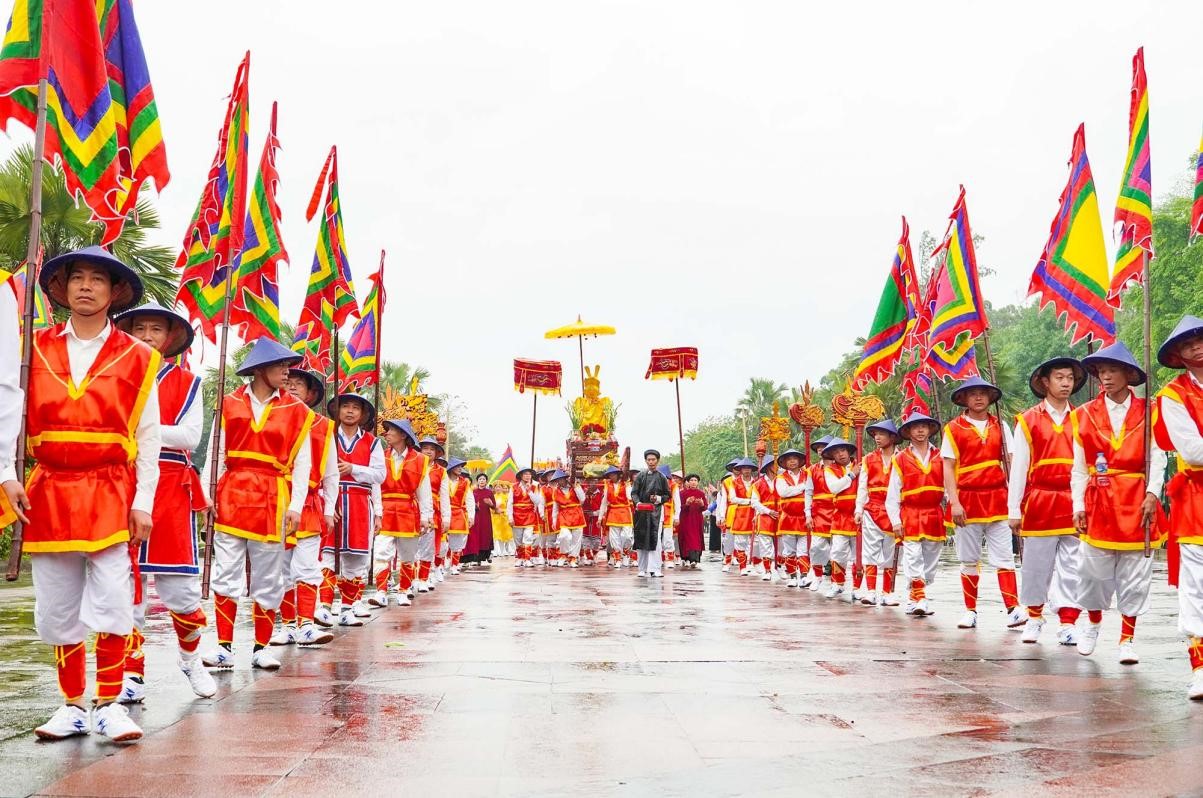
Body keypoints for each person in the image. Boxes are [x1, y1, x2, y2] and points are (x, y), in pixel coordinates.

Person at [22, 247, 158, 742]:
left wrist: (143, 501)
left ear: (114, 291)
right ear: (62, 288)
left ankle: (109, 703)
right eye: (76, 276)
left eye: (97, 278)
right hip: (50, 487)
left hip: (110, 488)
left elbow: (148, 436)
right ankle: (73, 705)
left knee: (113, 598)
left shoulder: (139, 356)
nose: (85, 285)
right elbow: (8, 416)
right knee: (57, 603)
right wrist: (6, 476)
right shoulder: (30, 348)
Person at [112, 301, 217, 702]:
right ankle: (131, 674)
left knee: (181, 591)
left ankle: (190, 658)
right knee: (126, 587)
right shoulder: (115, 373)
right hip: (123, 481)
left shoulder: (189, 383)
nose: (147, 336)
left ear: (170, 337)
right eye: (139, 328)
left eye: (156, 329)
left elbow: (190, 437)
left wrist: (142, 429)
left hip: (171, 486)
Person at [202, 337, 313, 672]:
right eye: (281, 365)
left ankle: (261, 647)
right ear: (260, 369)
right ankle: (223, 647)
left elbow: (303, 463)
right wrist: (207, 496)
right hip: (232, 493)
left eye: (288, 366)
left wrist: (296, 505)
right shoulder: (229, 403)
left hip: (272, 496)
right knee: (226, 572)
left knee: (268, 576)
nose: (287, 372)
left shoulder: (297, 411)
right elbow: (215, 453)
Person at [1071, 341, 1166, 664]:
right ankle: (1093, 622)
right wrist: (1077, 505)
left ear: (1129, 375)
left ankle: (1127, 638)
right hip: (1098, 498)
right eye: (1101, 372)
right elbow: (1078, 467)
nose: (1106, 377)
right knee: (1092, 571)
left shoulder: (1150, 410)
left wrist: (1153, 493)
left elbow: (1158, 456)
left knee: (1135, 573)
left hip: (1137, 497)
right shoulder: (1084, 414)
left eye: (1113, 370)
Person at [1008, 357, 1088, 645]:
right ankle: (1034, 617)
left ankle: (1068, 622)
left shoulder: (1083, 417)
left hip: (1073, 498)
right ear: (1045, 382)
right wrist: (1013, 508)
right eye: (1059, 377)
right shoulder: (1028, 420)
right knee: (1035, 564)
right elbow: (1019, 467)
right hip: (1040, 498)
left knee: (1074, 565)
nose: (1066, 383)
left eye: (1070, 378)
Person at [943, 375, 1023, 630]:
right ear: (964, 399)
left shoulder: (1001, 425)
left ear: (990, 397)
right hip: (967, 499)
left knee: (1005, 557)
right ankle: (970, 611)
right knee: (969, 559)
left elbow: (1011, 460)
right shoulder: (953, 428)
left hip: (998, 498)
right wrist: (954, 502)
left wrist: (1016, 499)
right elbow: (948, 466)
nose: (978, 397)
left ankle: (1013, 609)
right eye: (972, 393)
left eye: (983, 393)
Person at [1152, 315, 1203, 699]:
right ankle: (1200, 667)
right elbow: (1193, 451)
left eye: (1200, 339)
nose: (1196, 347)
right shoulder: (1173, 395)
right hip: (1196, 497)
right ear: (1178, 355)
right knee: (1196, 585)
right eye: (1187, 344)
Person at [277, 369, 339, 637]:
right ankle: (287, 626)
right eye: (287, 383)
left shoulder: (323, 426)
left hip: (309, 505)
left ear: (311, 393)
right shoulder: (272, 416)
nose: (291, 387)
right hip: (276, 500)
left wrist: (329, 509)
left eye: (298, 384)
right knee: (280, 568)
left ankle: (306, 626)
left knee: (305, 565)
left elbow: (332, 473)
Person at [322, 393, 385, 612]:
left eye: (355, 407)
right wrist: (326, 503)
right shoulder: (327, 436)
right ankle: (324, 606)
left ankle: (348, 607)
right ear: (337, 410)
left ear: (363, 414)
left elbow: (379, 475)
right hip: (332, 500)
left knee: (355, 557)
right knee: (327, 554)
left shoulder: (372, 442)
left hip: (359, 503)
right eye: (345, 406)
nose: (350, 411)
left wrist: (353, 468)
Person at [886, 413, 946, 617]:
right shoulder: (900, 458)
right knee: (913, 556)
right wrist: (895, 521)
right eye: (915, 427)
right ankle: (920, 597)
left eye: (924, 426)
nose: (920, 430)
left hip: (934, 513)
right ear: (908, 432)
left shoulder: (941, 456)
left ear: (929, 430)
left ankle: (915, 593)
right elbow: (892, 494)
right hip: (910, 513)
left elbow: (949, 486)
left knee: (931, 559)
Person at [373, 418, 434, 605]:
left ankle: (404, 590)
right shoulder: (380, 456)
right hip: (385, 509)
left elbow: (424, 491)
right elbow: (375, 485)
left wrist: (426, 517)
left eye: (391, 430)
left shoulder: (420, 460)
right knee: (381, 551)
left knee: (408, 553)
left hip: (408, 510)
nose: (387, 433)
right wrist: (377, 512)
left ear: (403, 435)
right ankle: (381, 591)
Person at [855, 419, 900, 606]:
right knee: (870, 551)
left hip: (894, 510)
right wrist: (858, 509)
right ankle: (871, 591)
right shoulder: (868, 459)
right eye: (875, 434)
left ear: (892, 437)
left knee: (891, 552)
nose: (877, 438)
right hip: (872, 508)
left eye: (882, 434)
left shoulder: (902, 458)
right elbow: (862, 486)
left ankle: (887, 593)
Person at [821, 438, 860, 601]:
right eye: (836, 452)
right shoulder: (830, 470)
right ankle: (837, 583)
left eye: (843, 450)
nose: (840, 454)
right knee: (837, 552)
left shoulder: (862, 464)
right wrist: (851, 475)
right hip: (840, 516)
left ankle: (858, 587)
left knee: (859, 554)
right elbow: (834, 488)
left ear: (848, 451)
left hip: (859, 515)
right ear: (832, 455)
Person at [416, 437, 449, 590]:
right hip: (412, 507)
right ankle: (409, 579)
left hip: (433, 511)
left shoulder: (441, 471)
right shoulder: (413, 464)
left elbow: (445, 496)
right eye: (425, 448)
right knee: (410, 545)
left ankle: (425, 576)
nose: (428, 452)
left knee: (428, 545)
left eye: (432, 449)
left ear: (436, 453)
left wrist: (446, 517)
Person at [631, 449, 670, 577]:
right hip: (641, 512)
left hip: (656, 512)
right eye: (649, 460)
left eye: (653, 460)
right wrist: (638, 503)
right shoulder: (640, 476)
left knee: (655, 539)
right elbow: (634, 493)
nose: (651, 462)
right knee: (641, 538)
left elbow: (667, 495)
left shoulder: (662, 477)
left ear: (657, 461)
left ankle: (655, 568)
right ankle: (642, 568)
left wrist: (658, 498)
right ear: (646, 461)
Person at [774, 449, 809, 587]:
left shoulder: (808, 475)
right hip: (788, 518)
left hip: (804, 517)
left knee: (803, 549)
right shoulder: (780, 478)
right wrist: (802, 487)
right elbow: (783, 492)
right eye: (789, 459)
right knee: (789, 550)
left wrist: (796, 489)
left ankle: (804, 576)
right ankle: (792, 576)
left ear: (800, 461)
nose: (792, 461)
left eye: (795, 458)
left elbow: (811, 490)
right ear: (784, 463)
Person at [804, 435, 835, 592]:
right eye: (818, 448)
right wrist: (808, 514)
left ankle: (837, 581)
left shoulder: (841, 467)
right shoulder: (812, 470)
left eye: (824, 446)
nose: (821, 450)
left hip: (838, 511)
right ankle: (817, 577)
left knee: (838, 549)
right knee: (816, 546)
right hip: (820, 512)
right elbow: (808, 492)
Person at [751, 455, 780, 582]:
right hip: (764, 516)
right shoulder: (758, 484)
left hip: (780, 515)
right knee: (765, 545)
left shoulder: (782, 481)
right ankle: (767, 570)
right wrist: (768, 511)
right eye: (774, 464)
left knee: (782, 544)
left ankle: (781, 567)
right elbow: (754, 502)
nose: (777, 467)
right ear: (768, 467)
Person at [550, 470, 586, 567]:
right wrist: (554, 520)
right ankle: (563, 555)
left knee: (576, 539)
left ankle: (573, 558)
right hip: (564, 515)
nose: (560, 482)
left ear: (566, 479)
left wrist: (575, 487)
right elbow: (555, 508)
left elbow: (582, 499)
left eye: (561, 479)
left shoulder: (576, 486)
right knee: (564, 536)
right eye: (558, 480)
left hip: (577, 515)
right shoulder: (556, 491)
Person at [509, 466, 543, 568]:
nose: (528, 476)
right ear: (521, 476)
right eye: (525, 474)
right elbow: (509, 503)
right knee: (518, 539)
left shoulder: (534, 486)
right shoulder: (513, 487)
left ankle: (527, 559)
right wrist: (510, 517)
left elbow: (537, 501)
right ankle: (520, 558)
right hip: (516, 515)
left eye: (529, 474)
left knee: (528, 537)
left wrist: (529, 491)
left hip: (529, 515)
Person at [445, 458, 475, 572]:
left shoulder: (465, 482)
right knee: (443, 540)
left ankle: (454, 565)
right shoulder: (443, 480)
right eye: (457, 466)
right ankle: (441, 565)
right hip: (444, 512)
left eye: (461, 467)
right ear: (451, 468)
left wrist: (471, 516)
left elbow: (470, 500)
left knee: (458, 541)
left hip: (458, 514)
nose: (460, 469)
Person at [600, 465, 634, 568]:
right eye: (610, 475)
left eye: (614, 474)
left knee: (627, 536)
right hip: (613, 513)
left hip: (625, 512)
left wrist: (627, 485)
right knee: (614, 538)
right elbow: (604, 502)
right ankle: (617, 558)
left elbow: (630, 497)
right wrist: (600, 517)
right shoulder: (608, 485)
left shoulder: (626, 484)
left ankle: (626, 553)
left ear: (618, 474)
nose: (612, 476)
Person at [715, 457, 740, 571]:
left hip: (745, 511)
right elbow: (723, 501)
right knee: (729, 538)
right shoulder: (727, 482)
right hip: (731, 511)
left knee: (743, 538)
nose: (737, 470)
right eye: (735, 468)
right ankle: (728, 558)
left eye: (739, 467)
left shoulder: (749, 481)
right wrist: (721, 516)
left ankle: (743, 560)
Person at [677, 474, 707, 566]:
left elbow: (705, 507)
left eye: (695, 480)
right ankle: (685, 557)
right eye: (691, 480)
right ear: (688, 482)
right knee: (686, 538)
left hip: (697, 519)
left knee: (696, 538)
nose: (693, 482)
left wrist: (702, 504)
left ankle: (694, 559)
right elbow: (679, 507)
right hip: (686, 519)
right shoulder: (682, 493)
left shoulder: (701, 493)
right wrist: (687, 504)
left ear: (698, 483)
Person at [469, 474, 496, 564]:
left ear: (486, 481)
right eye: (480, 479)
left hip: (486, 517)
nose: (482, 481)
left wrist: (490, 504)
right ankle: (477, 559)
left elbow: (494, 506)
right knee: (477, 535)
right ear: (477, 481)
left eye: (484, 479)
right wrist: (474, 505)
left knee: (486, 535)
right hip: (476, 516)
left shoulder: (489, 492)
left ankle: (487, 555)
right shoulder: (473, 492)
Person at [659, 468, 681, 569]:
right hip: (656, 513)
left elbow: (677, 502)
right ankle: (658, 558)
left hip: (668, 514)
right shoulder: (654, 484)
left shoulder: (673, 485)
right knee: (656, 537)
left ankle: (669, 559)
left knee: (668, 537)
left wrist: (677, 516)